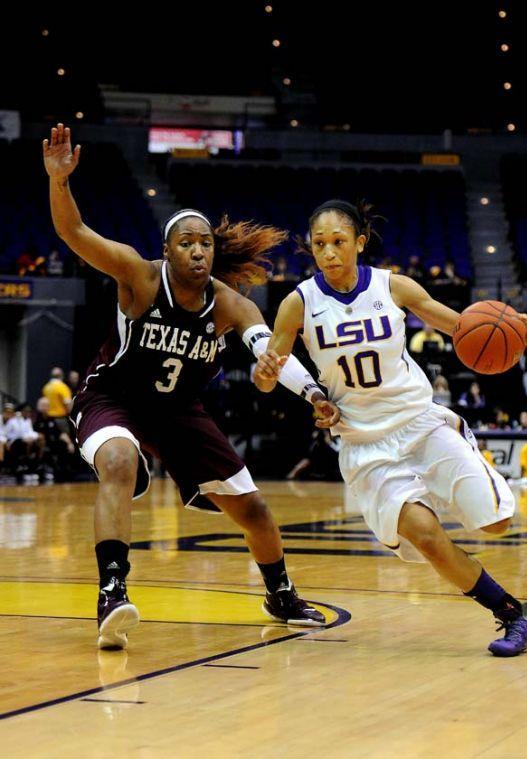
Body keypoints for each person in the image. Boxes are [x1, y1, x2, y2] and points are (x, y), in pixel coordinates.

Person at [43, 123, 327, 649]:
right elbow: (75, 234)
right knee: (120, 464)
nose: (198, 252)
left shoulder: (230, 304)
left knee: (256, 511)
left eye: (204, 244)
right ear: (168, 251)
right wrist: (60, 182)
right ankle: (112, 590)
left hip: (177, 411)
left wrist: (311, 393)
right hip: (114, 399)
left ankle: (280, 593)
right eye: (186, 243)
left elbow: (271, 350)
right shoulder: (140, 275)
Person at [255, 198, 527, 657]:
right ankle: (513, 613)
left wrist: (509, 321)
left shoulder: (393, 286)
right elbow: (272, 372)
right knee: (428, 538)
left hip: (420, 423)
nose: (329, 253)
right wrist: (267, 374)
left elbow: (461, 326)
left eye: (339, 242)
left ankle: (460, 489)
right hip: (365, 446)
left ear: (360, 243)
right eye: (319, 244)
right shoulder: (298, 303)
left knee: (498, 522)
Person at [41, 367, 73, 434]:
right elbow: (68, 404)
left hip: (48, 418)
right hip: (60, 420)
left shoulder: (46, 387)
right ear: (61, 376)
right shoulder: (63, 387)